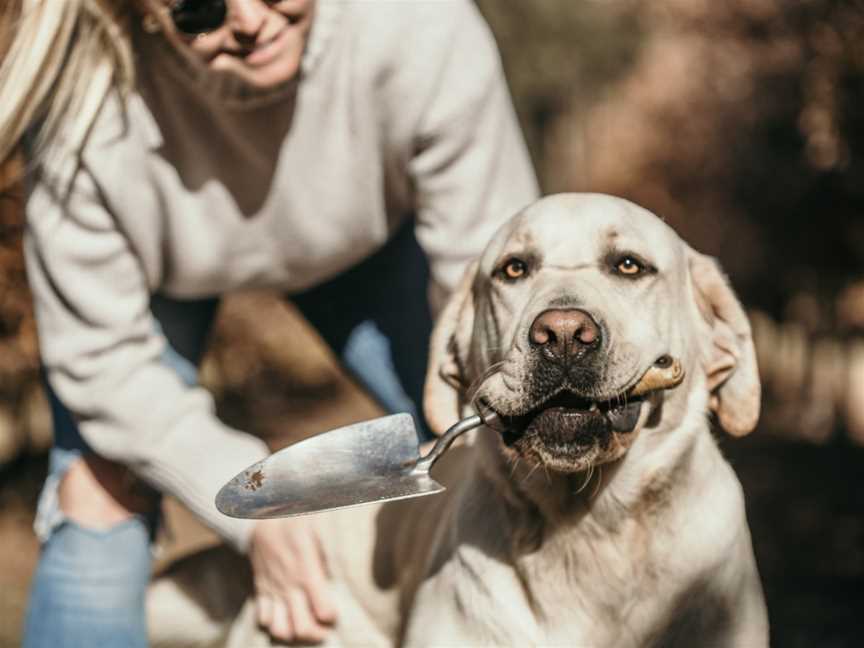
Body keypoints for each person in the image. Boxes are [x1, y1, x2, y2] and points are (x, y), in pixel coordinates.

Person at [0, 0, 538, 646]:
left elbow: (494, 294)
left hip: (373, 241)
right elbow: (102, 363)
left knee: (503, 446)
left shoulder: (421, 26)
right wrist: (258, 504)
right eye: (199, 7)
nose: (252, 20)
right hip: (168, 277)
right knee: (97, 492)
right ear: (139, 14)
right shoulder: (78, 106)